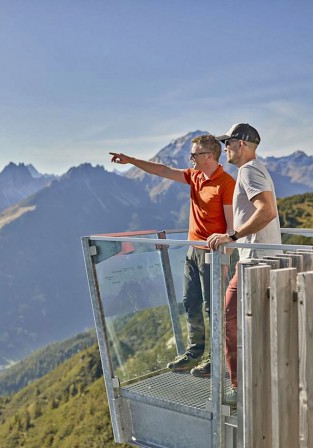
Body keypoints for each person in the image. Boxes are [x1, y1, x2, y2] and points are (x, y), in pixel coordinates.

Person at [110, 134, 235, 378]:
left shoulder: (226, 184)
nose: (191, 159)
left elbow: (231, 229)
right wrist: (130, 160)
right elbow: (163, 170)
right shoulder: (195, 176)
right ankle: (194, 353)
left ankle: (216, 359)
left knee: (214, 308)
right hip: (192, 250)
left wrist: (224, 260)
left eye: (195, 154)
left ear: (209, 156)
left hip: (213, 255)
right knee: (191, 303)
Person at [207, 123, 281, 406]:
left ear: (242, 144)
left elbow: (268, 210)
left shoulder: (249, 171)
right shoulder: (254, 170)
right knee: (256, 322)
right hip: (263, 259)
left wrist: (232, 236)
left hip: (255, 261)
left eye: (228, 142)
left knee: (228, 318)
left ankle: (239, 389)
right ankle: (261, 381)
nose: (225, 147)